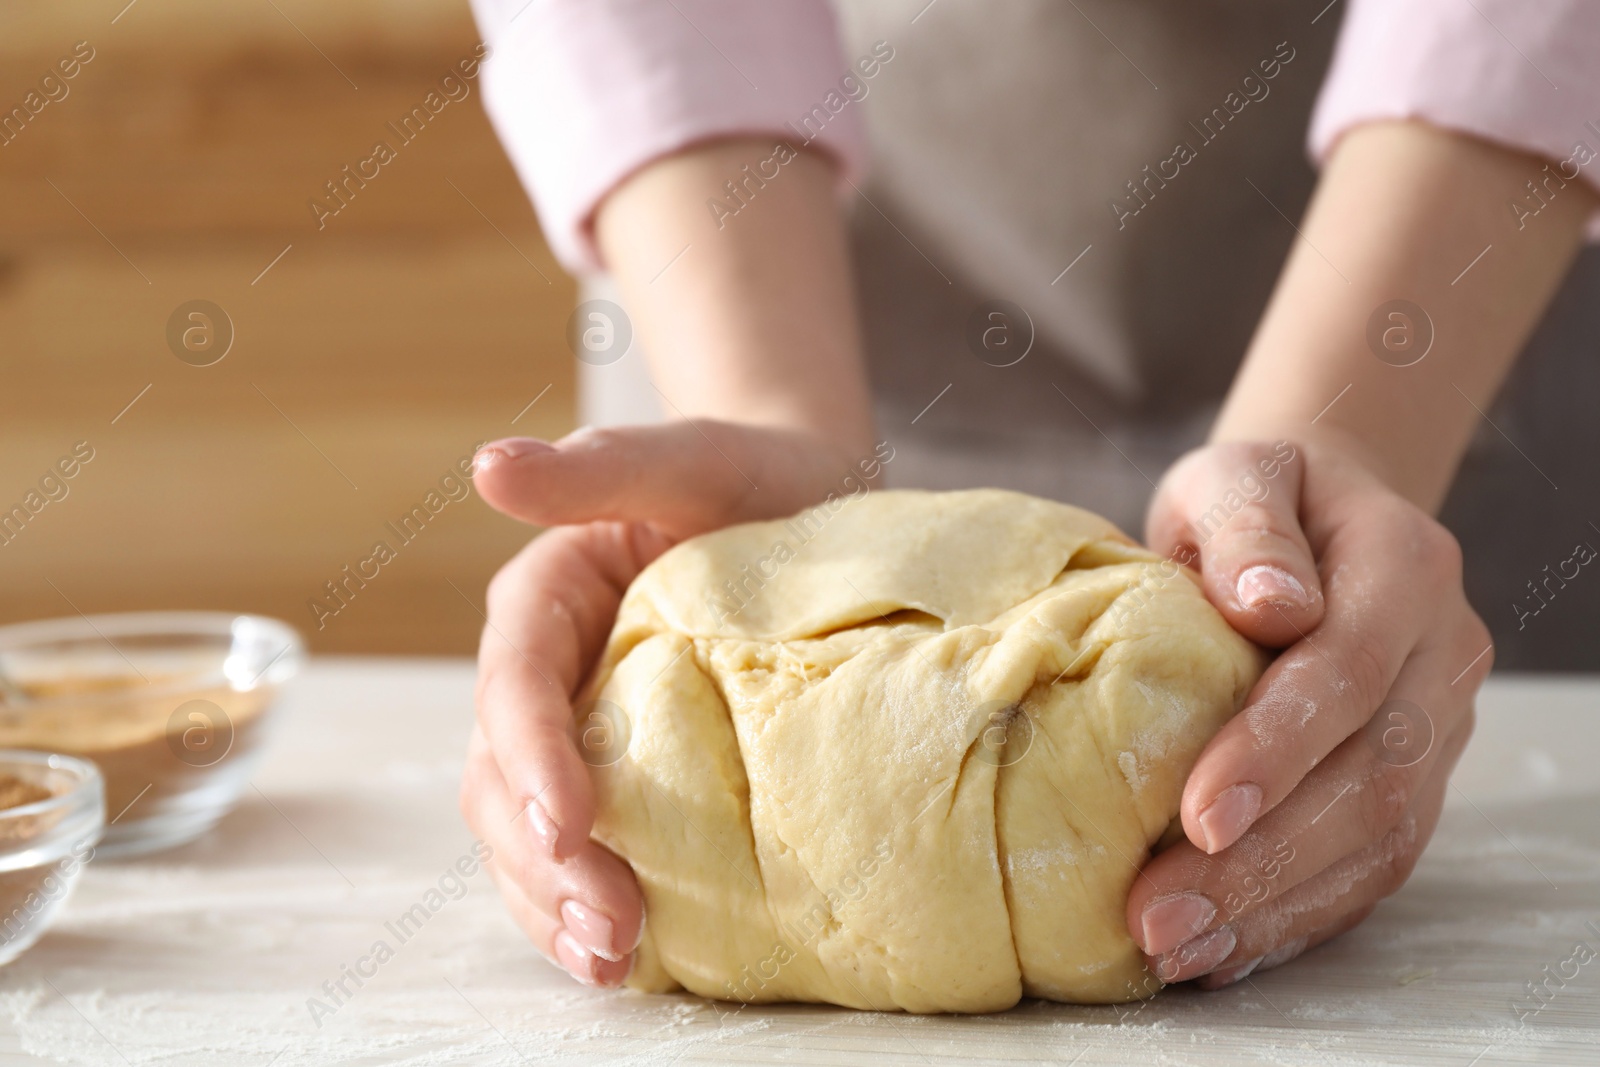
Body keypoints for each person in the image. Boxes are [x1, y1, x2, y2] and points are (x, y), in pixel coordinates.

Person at [456, 0, 1600, 993]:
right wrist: (762, 407)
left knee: (1332, 717)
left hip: (1447, 271)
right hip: (756, 256)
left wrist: (1346, 430)